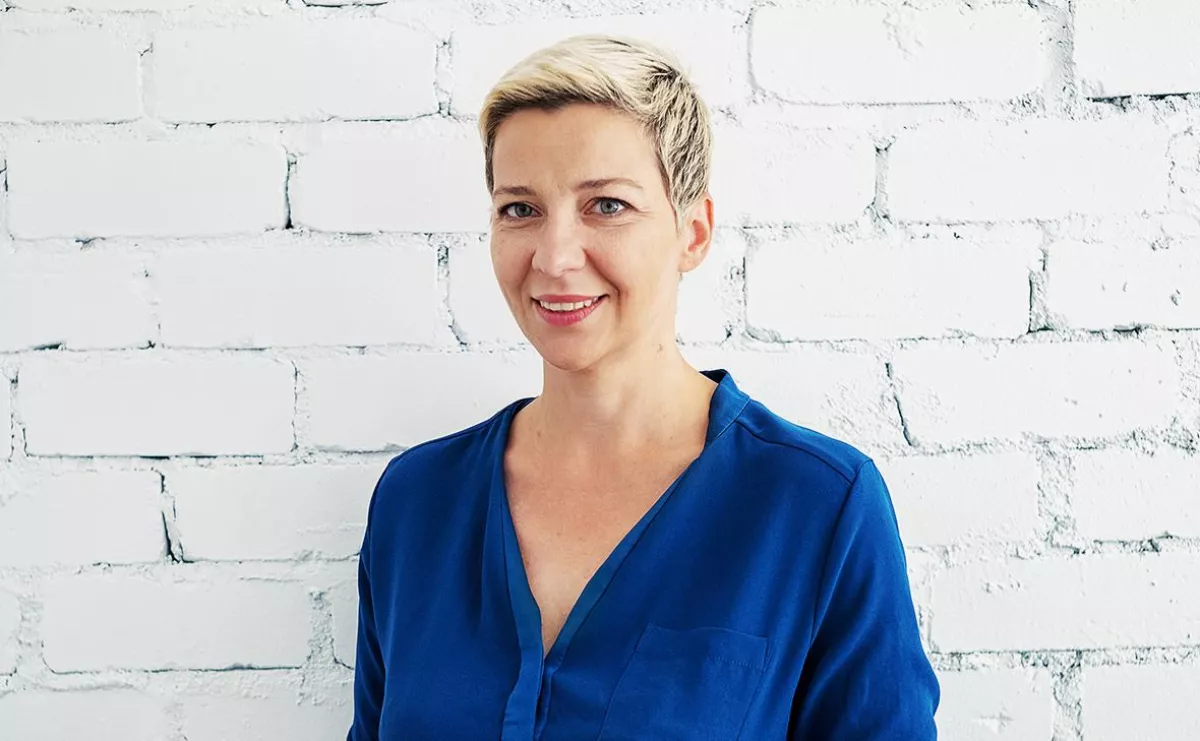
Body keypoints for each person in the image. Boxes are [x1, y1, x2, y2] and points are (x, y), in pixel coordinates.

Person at [348, 34, 938, 740]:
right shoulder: (416, 502)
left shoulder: (818, 505)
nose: (555, 257)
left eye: (606, 205)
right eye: (520, 209)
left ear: (693, 233)